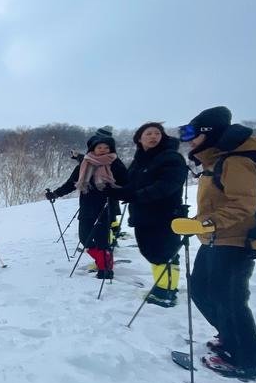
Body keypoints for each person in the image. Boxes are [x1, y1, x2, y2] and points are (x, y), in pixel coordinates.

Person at [173, 106, 256, 378]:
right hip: (215, 239)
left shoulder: (236, 161)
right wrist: (196, 222)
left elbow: (244, 205)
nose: (188, 140)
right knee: (201, 290)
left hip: (237, 241)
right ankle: (233, 337)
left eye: (192, 134)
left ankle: (248, 359)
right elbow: (216, 204)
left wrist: (205, 224)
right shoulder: (216, 162)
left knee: (229, 300)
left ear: (210, 133)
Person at [110, 123, 188, 307]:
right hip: (142, 214)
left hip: (165, 214)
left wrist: (135, 195)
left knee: (164, 253)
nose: (153, 136)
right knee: (151, 252)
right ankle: (162, 286)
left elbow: (167, 185)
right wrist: (116, 191)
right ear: (139, 138)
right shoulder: (140, 159)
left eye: (157, 133)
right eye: (148, 133)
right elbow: (131, 184)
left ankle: (166, 292)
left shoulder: (171, 157)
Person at [46, 128, 128, 279]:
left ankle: (105, 268)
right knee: (85, 238)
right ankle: (102, 261)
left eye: (106, 147)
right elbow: (71, 184)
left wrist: (122, 192)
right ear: (93, 148)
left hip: (105, 207)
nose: (103, 150)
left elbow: (126, 182)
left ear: (111, 149)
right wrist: (56, 194)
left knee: (103, 241)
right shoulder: (84, 164)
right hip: (87, 207)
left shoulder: (115, 163)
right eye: (99, 147)